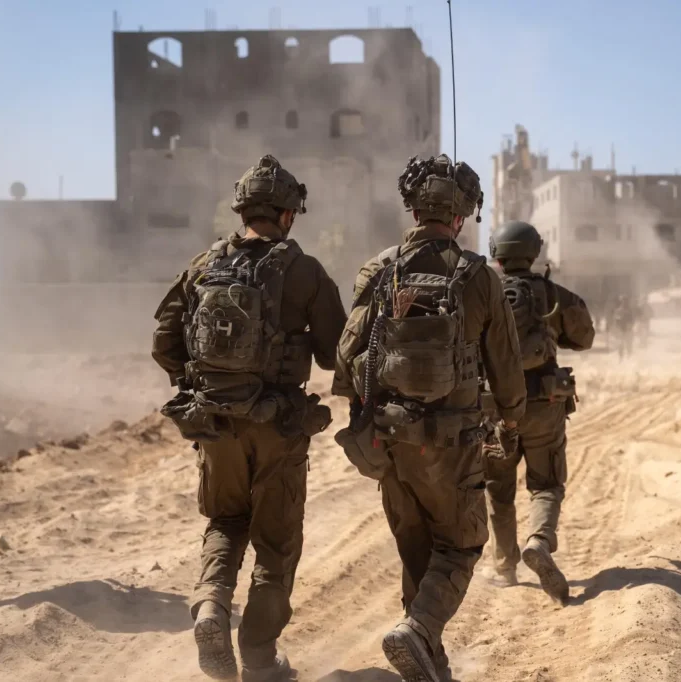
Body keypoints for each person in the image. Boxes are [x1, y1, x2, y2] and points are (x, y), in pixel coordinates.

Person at [152, 155, 348, 681]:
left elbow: (164, 343)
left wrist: (201, 387)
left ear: (242, 211)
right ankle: (259, 658)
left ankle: (211, 606)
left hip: (215, 426)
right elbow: (335, 353)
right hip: (278, 427)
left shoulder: (203, 265)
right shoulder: (304, 270)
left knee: (225, 522)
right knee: (275, 546)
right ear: (286, 214)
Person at [332, 154, 526, 682]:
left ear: (414, 209)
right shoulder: (480, 277)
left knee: (417, 549)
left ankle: (426, 656)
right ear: (460, 216)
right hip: (452, 443)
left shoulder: (379, 270)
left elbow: (346, 359)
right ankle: (418, 632)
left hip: (390, 440)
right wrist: (511, 422)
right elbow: (507, 369)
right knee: (461, 545)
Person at [485, 220, 595, 604]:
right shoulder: (552, 294)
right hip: (544, 404)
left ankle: (505, 568)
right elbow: (584, 337)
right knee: (545, 484)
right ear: (534, 253)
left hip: (496, 408)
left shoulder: (482, 294)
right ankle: (540, 541)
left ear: (496, 255)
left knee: (497, 487)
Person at [611, 295, 636, 359]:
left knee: (629, 344)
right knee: (621, 344)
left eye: (626, 301)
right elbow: (616, 321)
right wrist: (616, 329)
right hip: (621, 330)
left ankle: (629, 356)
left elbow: (633, 320)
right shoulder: (619, 310)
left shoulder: (630, 310)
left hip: (628, 329)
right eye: (623, 301)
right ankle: (621, 357)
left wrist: (630, 326)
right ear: (621, 302)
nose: (625, 302)